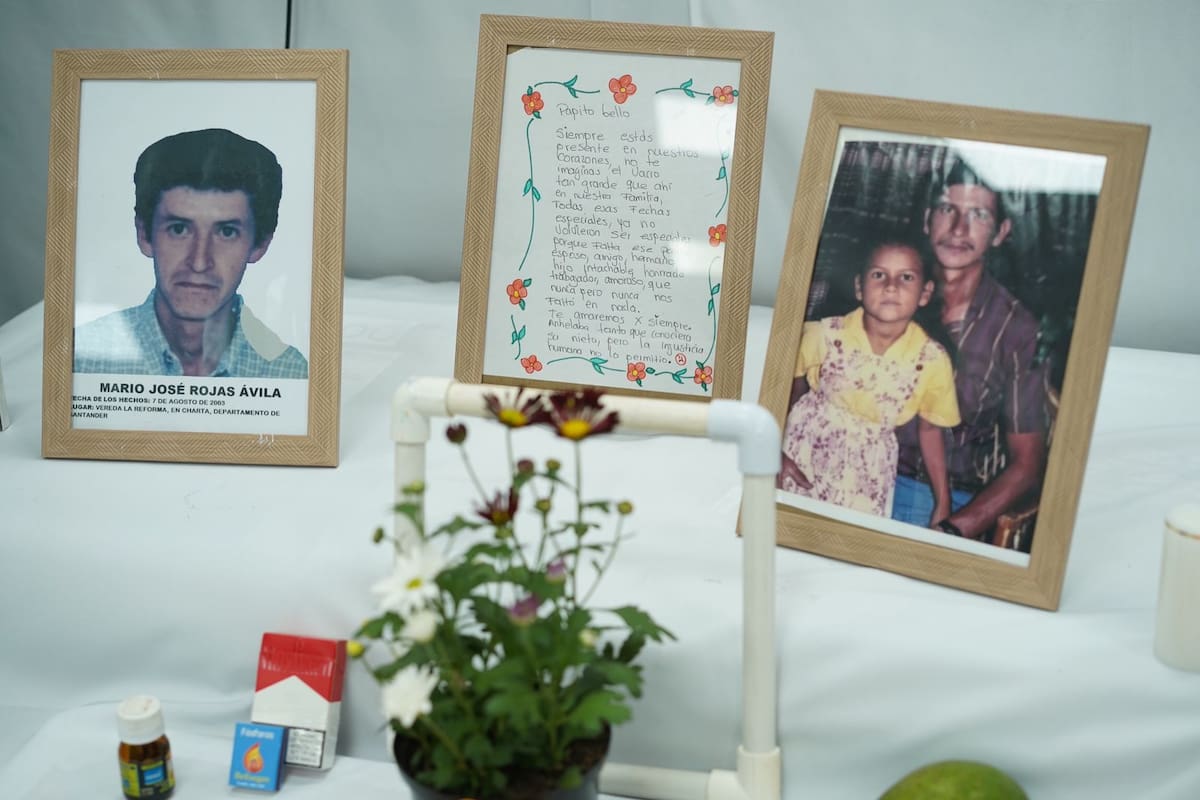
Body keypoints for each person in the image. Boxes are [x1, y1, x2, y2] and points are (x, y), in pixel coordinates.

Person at [891, 161, 1049, 541]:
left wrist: (954, 528)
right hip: (859, 468)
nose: (959, 229)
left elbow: (1028, 464)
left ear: (1001, 232)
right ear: (929, 219)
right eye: (949, 209)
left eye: (978, 215)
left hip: (937, 501)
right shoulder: (890, 287)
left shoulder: (1016, 329)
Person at [73, 128, 308, 379]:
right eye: (179, 229)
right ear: (144, 235)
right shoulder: (81, 360)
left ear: (259, 245)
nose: (198, 262)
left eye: (227, 232)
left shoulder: (290, 374)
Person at [779, 238, 960, 521]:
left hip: (869, 475)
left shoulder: (933, 361)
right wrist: (774, 452)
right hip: (802, 455)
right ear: (859, 287)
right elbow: (787, 391)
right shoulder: (821, 334)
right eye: (879, 275)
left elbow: (930, 431)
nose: (891, 286)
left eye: (906, 277)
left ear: (925, 293)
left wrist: (943, 503)